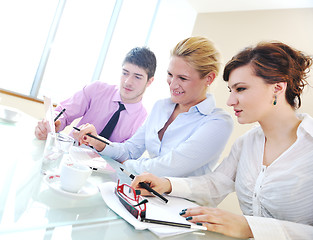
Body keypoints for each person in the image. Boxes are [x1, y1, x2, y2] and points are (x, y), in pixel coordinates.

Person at [130, 41, 313, 239]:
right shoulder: (247, 143)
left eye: (241, 89)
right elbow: (216, 183)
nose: (230, 101)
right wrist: (167, 184)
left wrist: (250, 227)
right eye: (230, 90)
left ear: (277, 88)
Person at [74, 36, 233, 177]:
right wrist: (99, 143)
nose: (173, 84)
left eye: (183, 78)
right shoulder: (161, 107)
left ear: (209, 79)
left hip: (180, 206)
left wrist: (127, 165)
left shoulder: (218, 122)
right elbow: (130, 150)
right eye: (170, 75)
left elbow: (169, 167)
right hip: (146, 192)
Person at [34, 47, 156, 143]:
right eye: (125, 73)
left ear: (149, 82)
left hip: (104, 172)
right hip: (70, 156)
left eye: (137, 77)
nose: (127, 81)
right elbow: (64, 112)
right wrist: (52, 124)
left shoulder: (144, 120)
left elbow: (126, 154)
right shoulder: (97, 89)